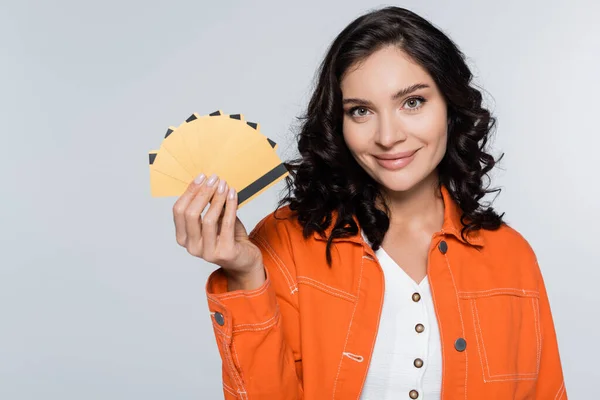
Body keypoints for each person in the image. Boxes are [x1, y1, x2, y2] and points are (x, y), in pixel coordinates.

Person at [172, 6, 567, 400]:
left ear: (450, 106)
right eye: (360, 111)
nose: (388, 136)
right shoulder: (284, 243)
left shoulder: (511, 257)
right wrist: (244, 275)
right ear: (338, 124)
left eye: (412, 102)